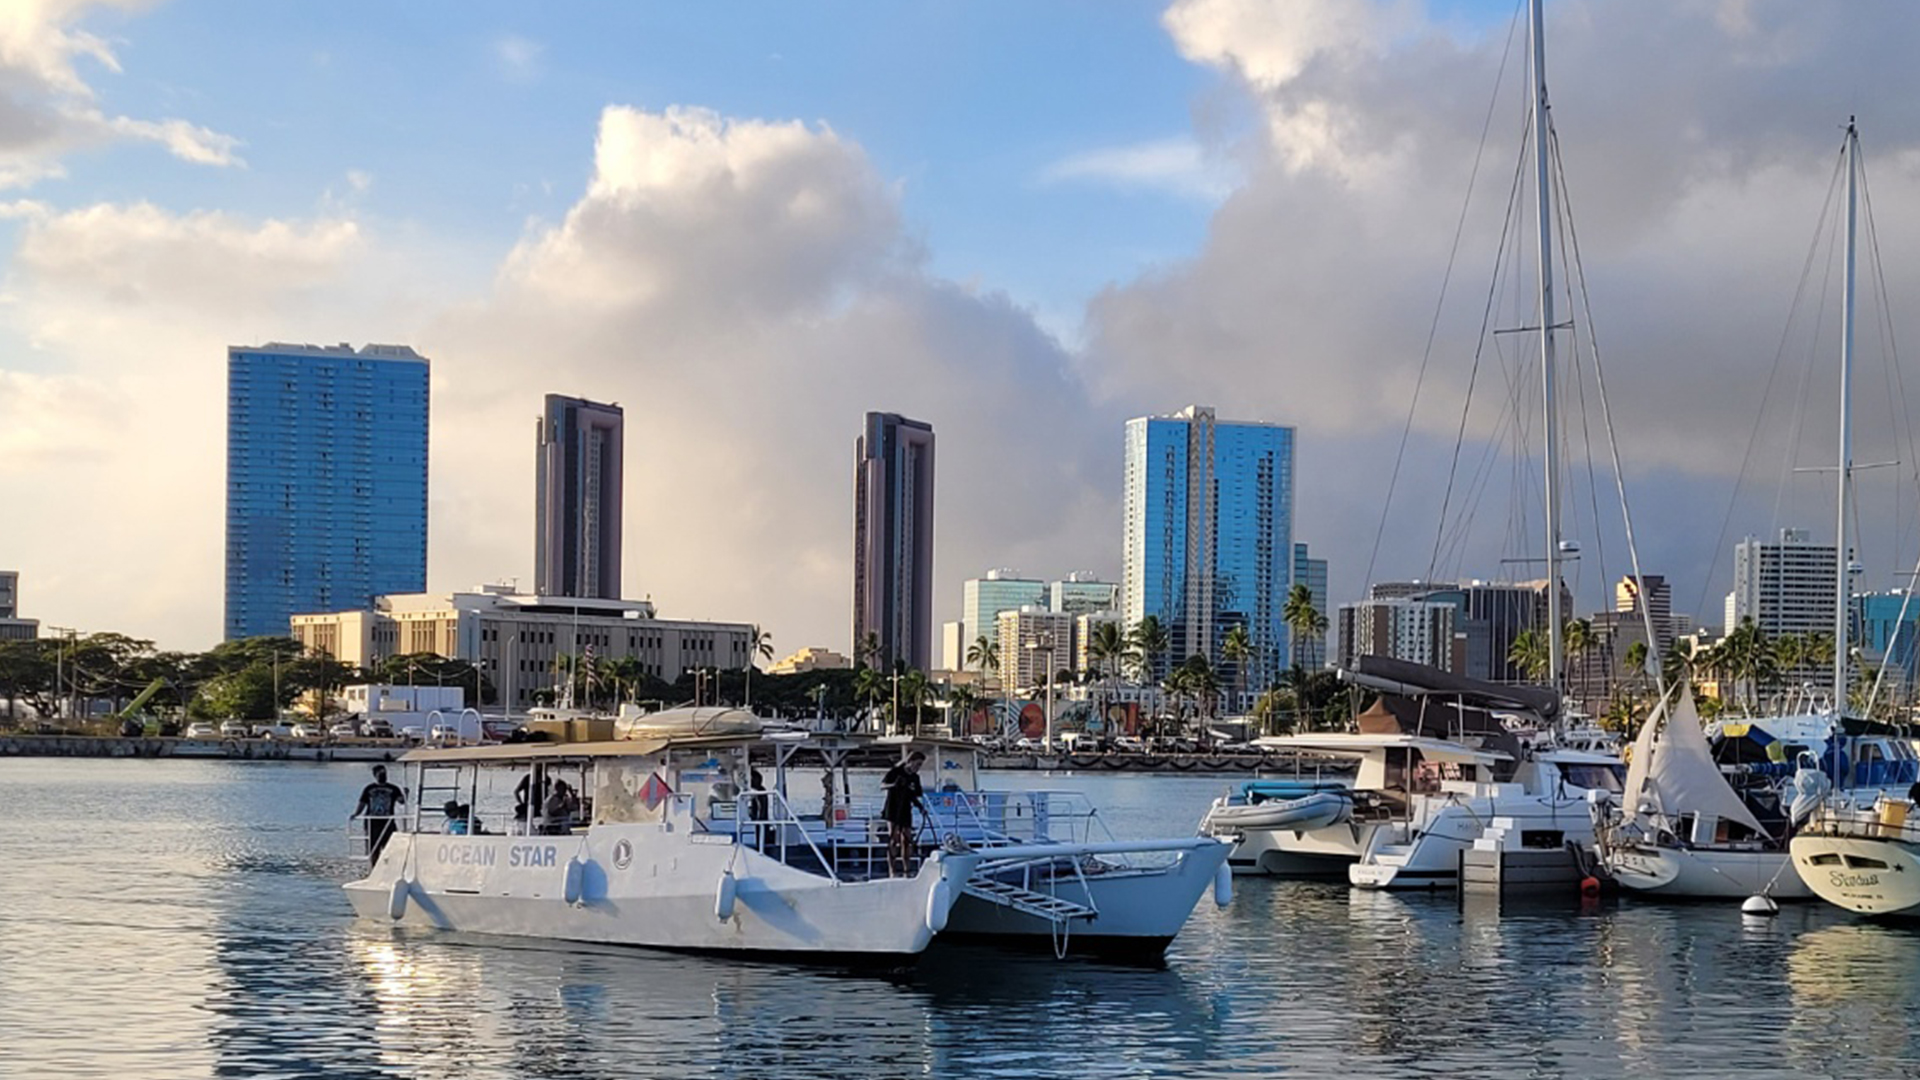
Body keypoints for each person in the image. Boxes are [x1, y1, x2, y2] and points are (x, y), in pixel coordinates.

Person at [881, 750, 927, 877]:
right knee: (893, 838)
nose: (917, 768)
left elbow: (914, 795)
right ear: (910, 761)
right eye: (917, 764)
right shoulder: (895, 772)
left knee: (906, 839)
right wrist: (894, 785)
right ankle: (892, 870)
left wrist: (920, 807)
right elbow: (882, 785)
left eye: (920, 766)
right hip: (893, 808)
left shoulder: (915, 778)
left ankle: (907, 870)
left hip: (906, 809)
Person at [352, 765, 406, 864]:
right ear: (375, 775)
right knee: (373, 847)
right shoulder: (369, 788)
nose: (383, 775)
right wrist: (356, 814)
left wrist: (405, 794)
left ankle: (387, 866)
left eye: (384, 773)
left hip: (387, 821)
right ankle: (373, 867)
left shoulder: (393, 788)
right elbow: (362, 803)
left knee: (389, 845)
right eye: (380, 773)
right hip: (372, 822)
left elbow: (401, 801)